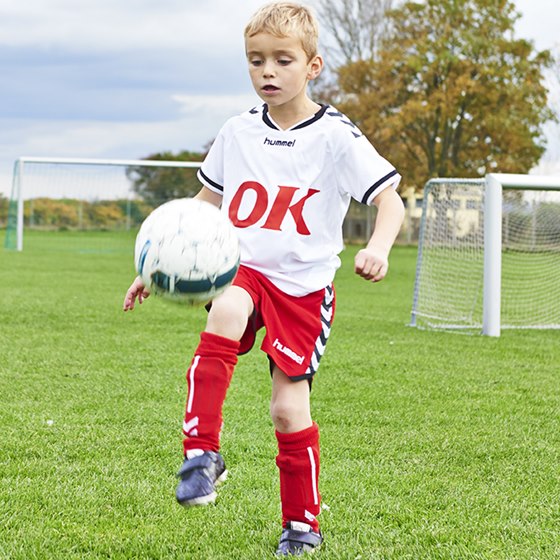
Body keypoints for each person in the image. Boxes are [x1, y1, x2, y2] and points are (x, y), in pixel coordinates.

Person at [123, 1, 404, 556]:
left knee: (287, 410)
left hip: (303, 288)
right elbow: (201, 205)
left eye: (282, 60)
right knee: (227, 308)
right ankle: (201, 454)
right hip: (244, 270)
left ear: (313, 66)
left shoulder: (336, 136)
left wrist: (378, 247)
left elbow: (389, 201)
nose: (268, 72)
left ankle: (302, 525)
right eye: (256, 61)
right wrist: (153, 267)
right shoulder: (236, 132)